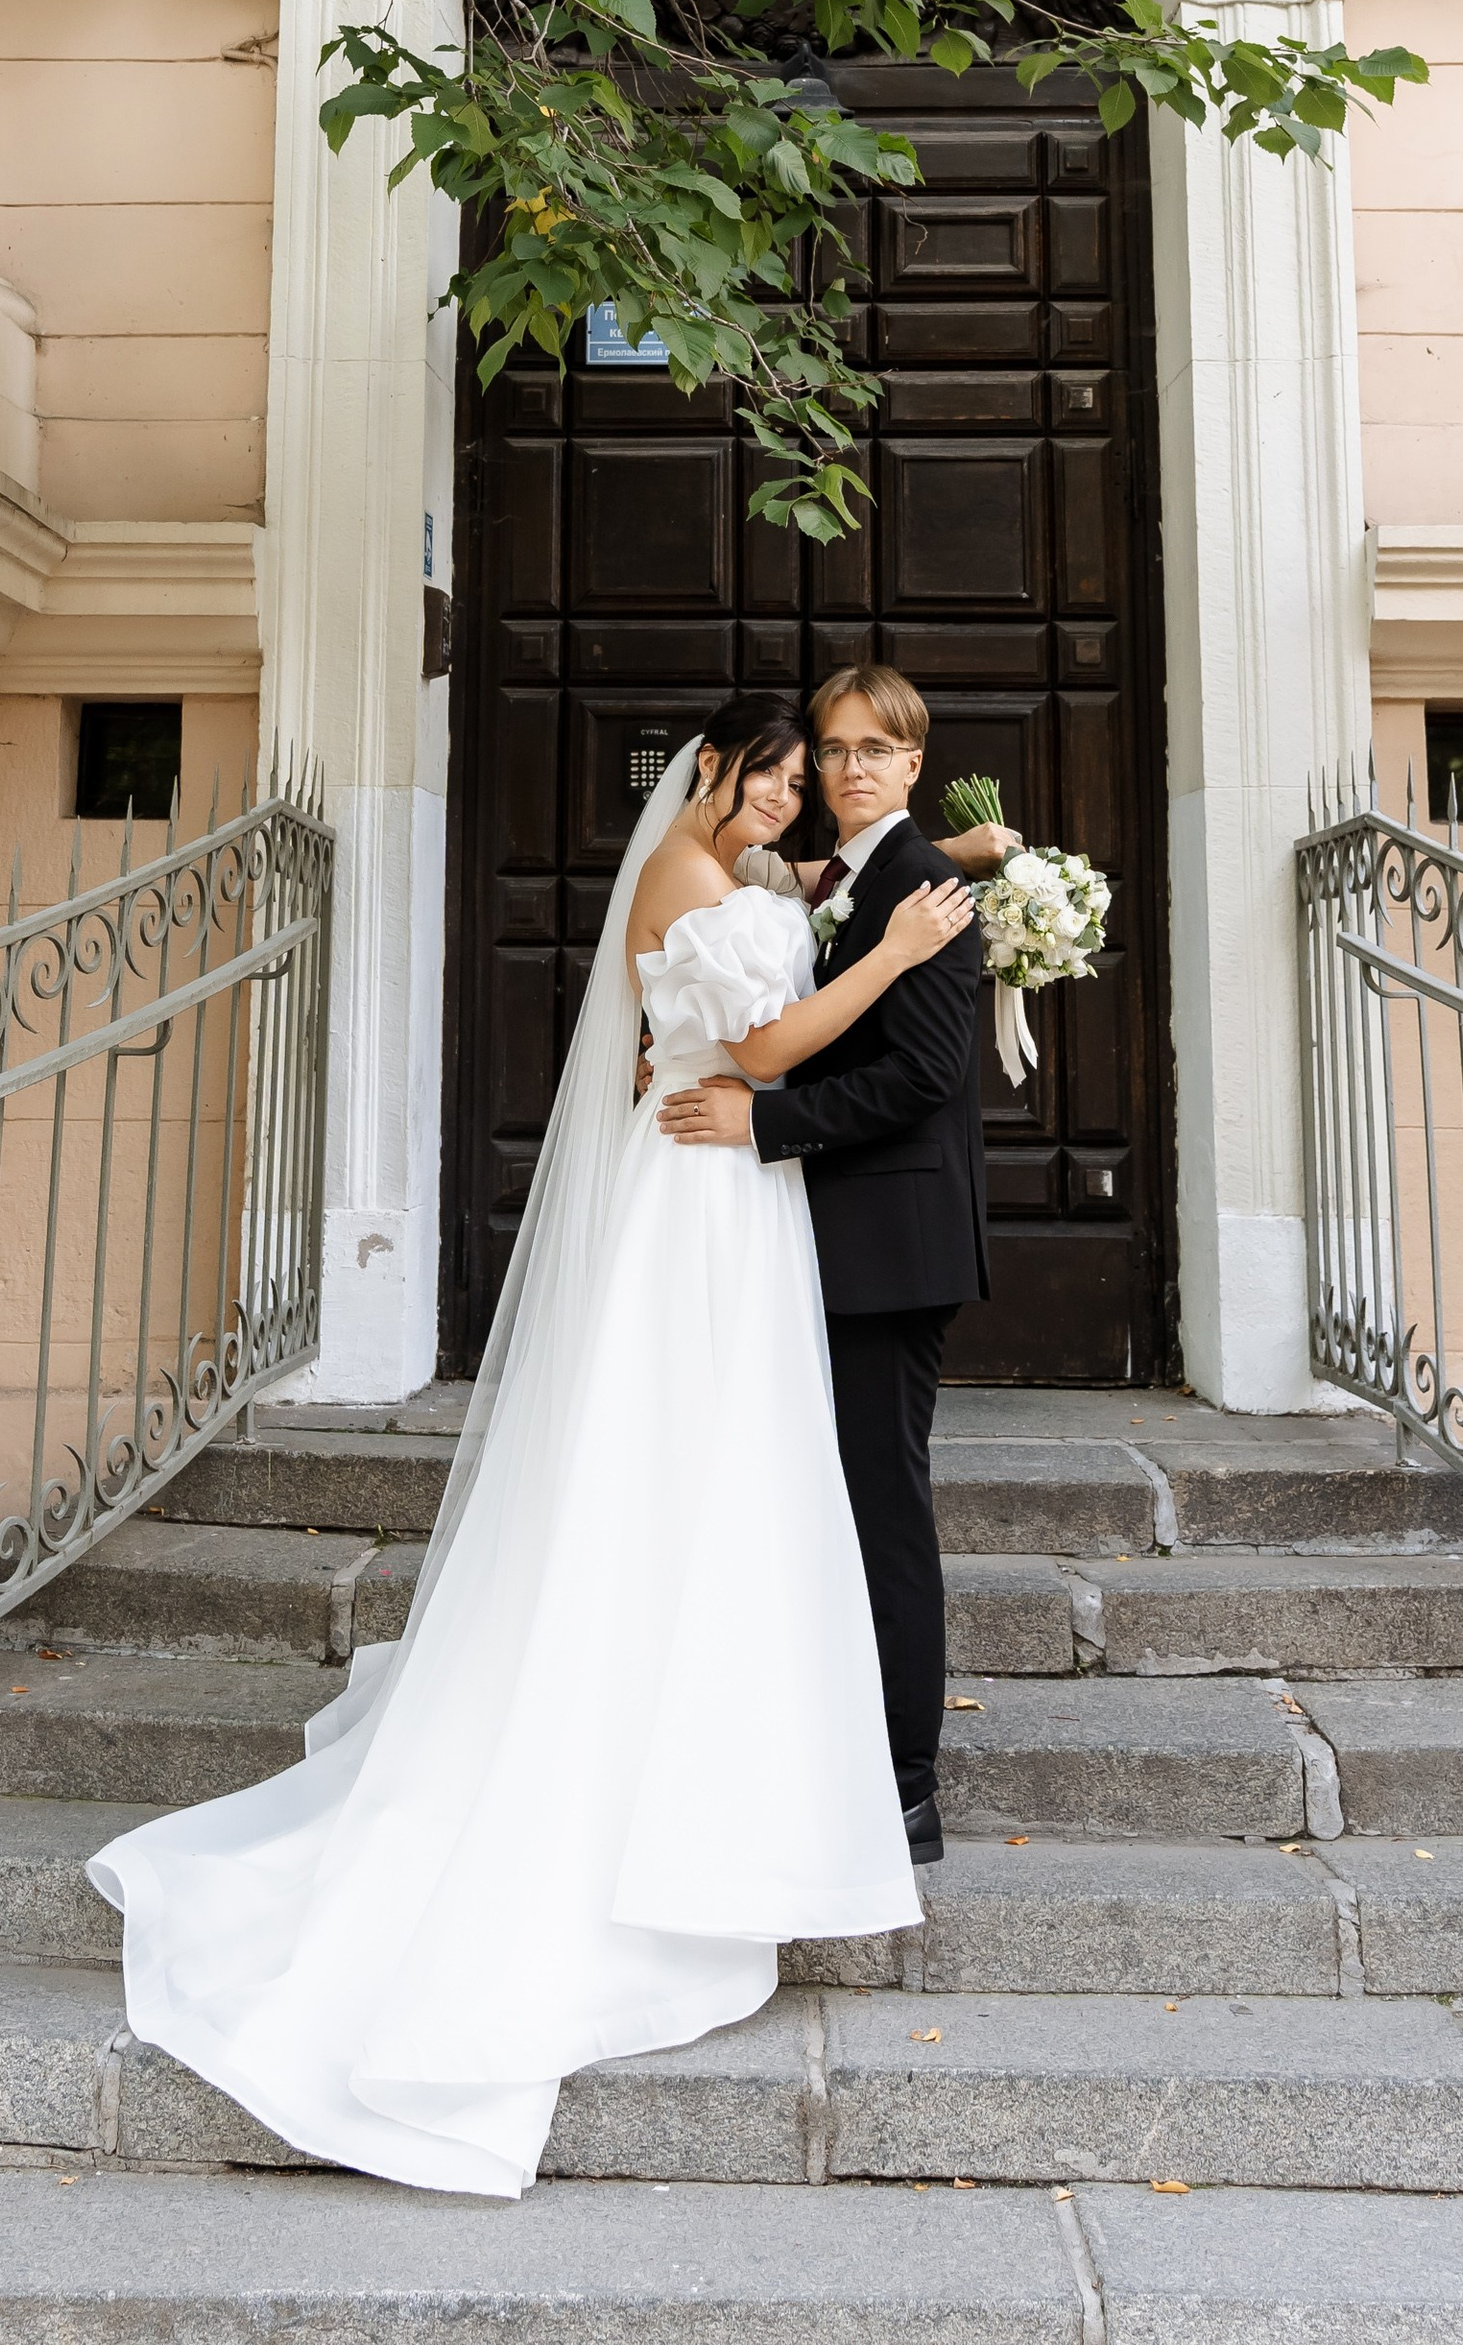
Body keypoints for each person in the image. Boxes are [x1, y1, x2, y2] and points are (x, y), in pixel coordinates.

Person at [87, 695, 972, 2200]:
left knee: (743, 1479)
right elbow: (751, 1042)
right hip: (707, 1183)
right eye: (765, 775)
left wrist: (914, 878)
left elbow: (761, 977)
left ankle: (760, 1744)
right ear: (711, 776)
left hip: (736, 1199)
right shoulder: (687, 878)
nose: (785, 799)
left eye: (797, 777)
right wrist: (889, 953)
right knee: (683, 1465)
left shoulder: (762, 879)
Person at [657, 664, 987, 1862]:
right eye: (827, 752)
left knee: (879, 1504)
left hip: (889, 1246)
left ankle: (906, 1784)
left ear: (911, 760)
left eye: (868, 751)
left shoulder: (925, 891)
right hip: (817, 1236)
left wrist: (763, 1122)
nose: (844, 770)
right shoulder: (851, 879)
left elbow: (921, 1079)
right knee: (822, 1499)